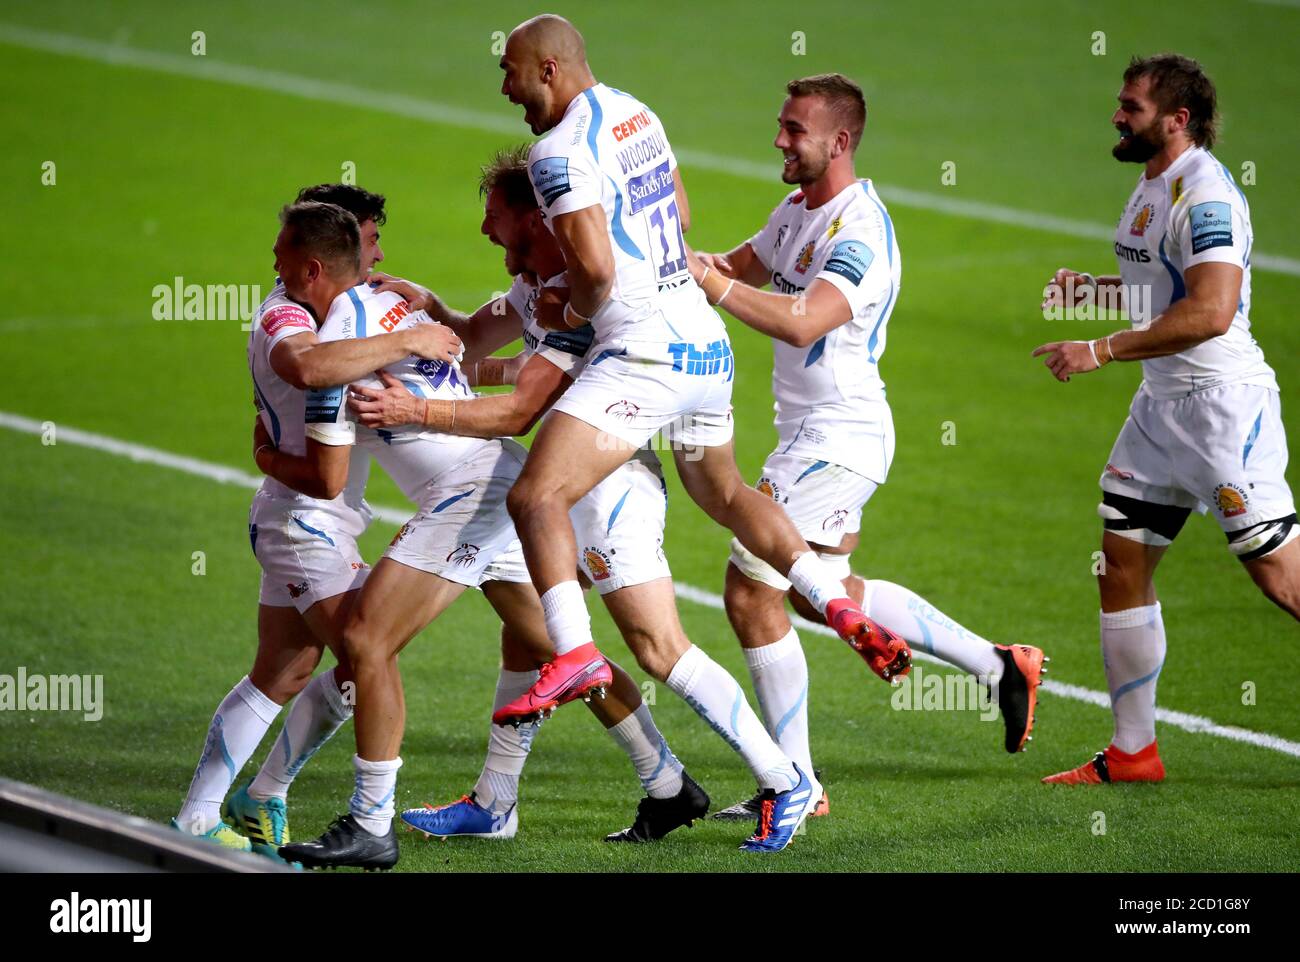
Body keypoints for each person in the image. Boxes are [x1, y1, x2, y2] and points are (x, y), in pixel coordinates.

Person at [489, 12, 904, 850]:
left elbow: (598, 274)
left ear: (547, 69)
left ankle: (569, 655)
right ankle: (825, 616)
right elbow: (673, 206)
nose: (503, 86)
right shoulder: (635, 111)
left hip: (644, 355)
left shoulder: (555, 154)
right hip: (704, 346)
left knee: (535, 494)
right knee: (720, 493)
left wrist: (576, 300)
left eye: (509, 71)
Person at [687, 75, 1046, 821]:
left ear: (839, 142)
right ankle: (998, 664)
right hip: (819, 434)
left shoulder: (861, 232)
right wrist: (660, 250)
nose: (779, 140)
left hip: (839, 435)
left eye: (794, 130)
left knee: (753, 589)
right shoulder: (795, 211)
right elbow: (727, 269)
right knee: (826, 597)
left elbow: (801, 322)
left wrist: (713, 289)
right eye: (781, 126)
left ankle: (796, 786)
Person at [174, 188, 462, 859]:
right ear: (327, 257)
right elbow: (307, 367)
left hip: (308, 518)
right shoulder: (288, 319)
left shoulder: (349, 312)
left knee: (281, 674)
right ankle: (319, 809)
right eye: (368, 241)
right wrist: (411, 335)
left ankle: (216, 808)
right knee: (367, 657)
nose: (378, 254)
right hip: (303, 522)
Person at [1033, 54, 1297, 785]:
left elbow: (1211, 311)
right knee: (1121, 563)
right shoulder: (1152, 184)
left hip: (1220, 411)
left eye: (1133, 107)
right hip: (1160, 410)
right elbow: (1164, 290)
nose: (1118, 116)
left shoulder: (1206, 197)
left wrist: (1100, 348)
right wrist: (1097, 293)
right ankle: (1133, 752)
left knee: (1280, 575)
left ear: (1177, 120)